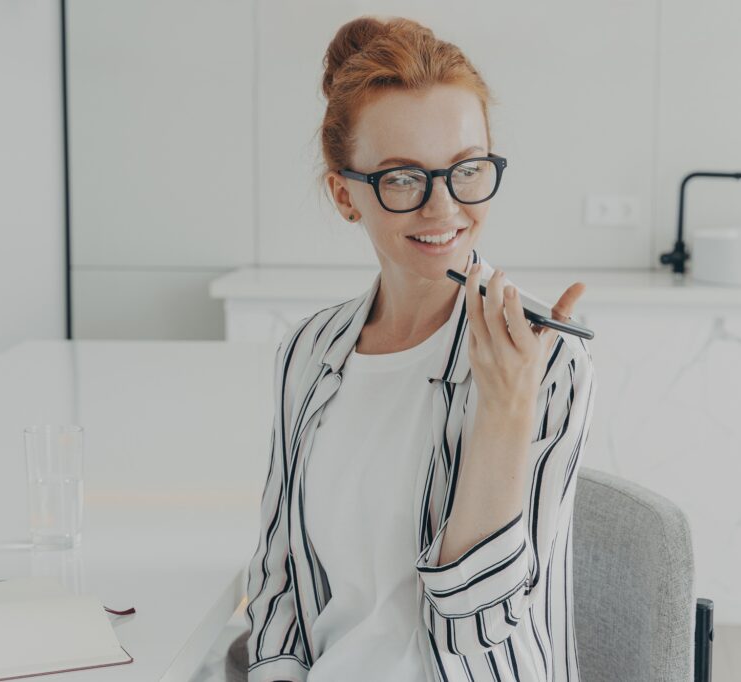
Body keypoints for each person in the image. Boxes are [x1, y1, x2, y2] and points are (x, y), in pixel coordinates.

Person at [244, 15, 595, 682]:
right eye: (403, 178)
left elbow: (479, 634)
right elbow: (276, 581)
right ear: (345, 195)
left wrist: (504, 411)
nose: (444, 208)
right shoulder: (308, 352)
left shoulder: (547, 361)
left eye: (467, 170)